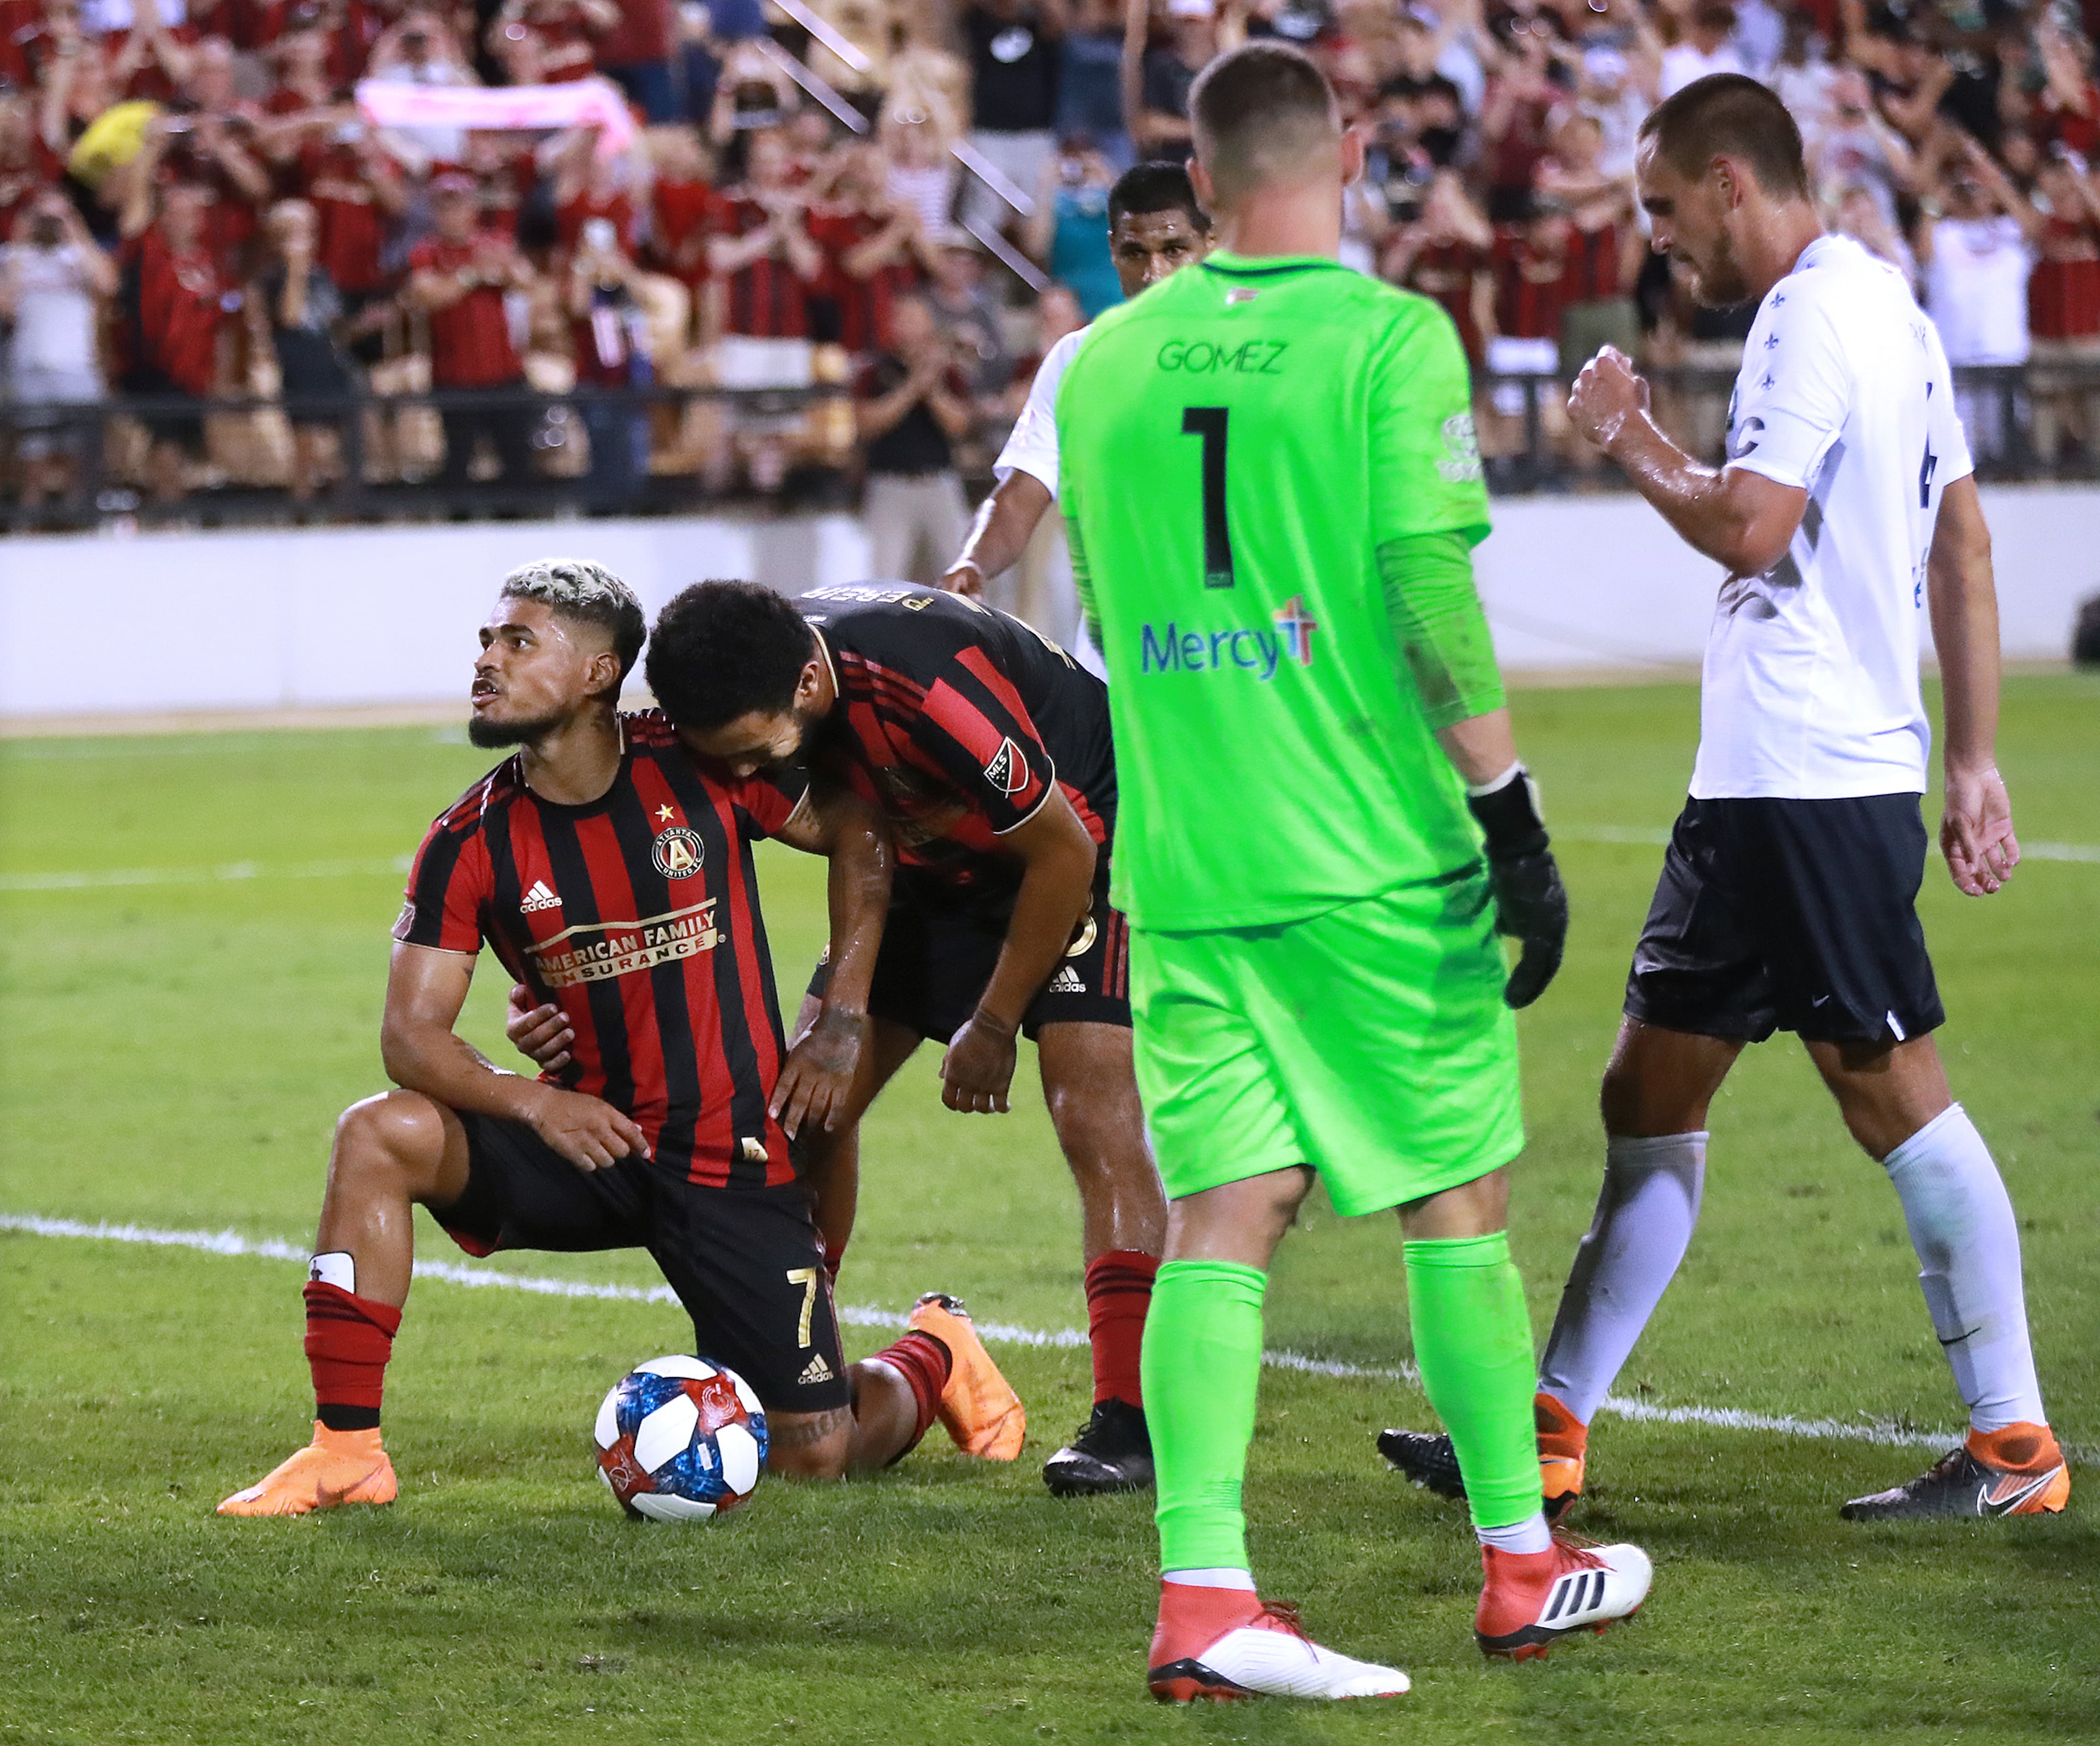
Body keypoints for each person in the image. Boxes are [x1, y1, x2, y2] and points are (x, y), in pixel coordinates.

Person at [1386, 73, 2068, 1526]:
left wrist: (1626, 430)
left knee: (1889, 1086)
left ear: (1733, 183)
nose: (1657, 241)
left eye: (1663, 208)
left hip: (1807, 777)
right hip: (1772, 775)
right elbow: (1967, 545)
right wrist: (1975, 756)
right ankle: (1549, 1429)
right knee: (1649, 1088)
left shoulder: (1814, 313)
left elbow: (1754, 530)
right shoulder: (1889, 308)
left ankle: (2016, 1449)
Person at [1055, 44, 1651, 1702]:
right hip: (1374, 859)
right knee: (1451, 1201)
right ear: (1352, 149)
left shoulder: (1100, 361)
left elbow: (1109, 613)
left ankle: (1202, 1595)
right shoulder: (1388, 335)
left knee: (1222, 1214)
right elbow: (1422, 593)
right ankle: (1523, 1567)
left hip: (1183, 861)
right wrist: (1510, 814)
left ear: (1198, 165)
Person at [218, 558, 1024, 1516]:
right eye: (487, 640)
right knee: (375, 1132)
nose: (488, 659)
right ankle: (345, 1449)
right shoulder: (468, 840)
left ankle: (935, 1351)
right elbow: (411, 1036)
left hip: (732, 1157)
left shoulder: (701, 768)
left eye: (520, 642)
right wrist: (536, 1100)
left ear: (600, 674)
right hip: (590, 1142)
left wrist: (842, 1012)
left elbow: (861, 833)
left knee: (817, 1457)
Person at [593, 575, 1168, 1501]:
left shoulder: (929, 685)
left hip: (1085, 845)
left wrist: (990, 1021)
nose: (743, 778)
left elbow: (1063, 850)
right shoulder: (758, 682)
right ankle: (785, 1370)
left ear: (809, 692)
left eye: (750, 754)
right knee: (801, 1111)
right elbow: (860, 828)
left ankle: (1132, 1423)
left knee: (1090, 1108)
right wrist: (841, 1019)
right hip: (928, 869)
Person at [943, 159, 1214, 671]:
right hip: (1119, 666)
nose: (1154, 272)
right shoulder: (1077, 360)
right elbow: (1021, 494)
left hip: (1242, 657)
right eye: (1135, 253)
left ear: (1211, 243)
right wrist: (973, 562)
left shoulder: (1264, 353)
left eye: (1174, 250)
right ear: (1112, 250)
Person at [407, 171, 538, 491]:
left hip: (505, 373)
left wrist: (505, 269)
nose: (452, 215)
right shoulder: (427, 252)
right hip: (455, 375)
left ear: (473, 210)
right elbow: (429, 295)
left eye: (459, 206)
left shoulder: (496, 244)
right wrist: (471, 276)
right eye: (444, 208)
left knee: (518, 463)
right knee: (457, 465)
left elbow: (527, 281)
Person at [1, 187, 114, 507]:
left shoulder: (79, 257)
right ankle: (31, 519)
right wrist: (21, 241)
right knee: (33, 452)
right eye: (44, 218)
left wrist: (76, 231)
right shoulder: (13, 257)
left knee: (79, 452)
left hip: (75, 363)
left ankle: (77, 517)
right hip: (30, 364)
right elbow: (7, 305)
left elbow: (108, 283)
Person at [852, 290, 974, 583]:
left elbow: (959, 424)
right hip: (890, 484)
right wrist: (912, 387)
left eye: (917, 319)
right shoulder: (876, 371)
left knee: (959, 573)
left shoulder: (948, 373)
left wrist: (932, 388)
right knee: (885, 580)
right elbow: (868, 423)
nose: (909, 326)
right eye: (902, 318)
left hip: (939, 482)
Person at [251, 197, 355, 501]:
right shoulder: (272, 278)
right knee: (306, 444)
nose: (305, 239)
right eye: (295, 232)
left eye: (308, 231)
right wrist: (296, 271)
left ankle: (344, 510)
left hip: (329, 361)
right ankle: (303, 508)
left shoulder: (322, 275)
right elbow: (290, 317)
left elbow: (333, 320)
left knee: (343, 445)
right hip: (298, 366)